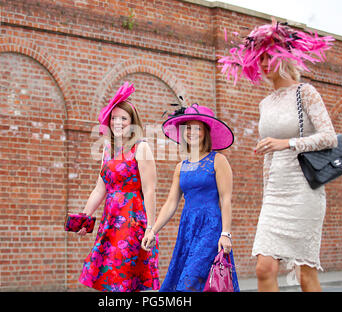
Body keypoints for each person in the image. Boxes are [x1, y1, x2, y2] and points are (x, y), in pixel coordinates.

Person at [218, 19, 337, 292]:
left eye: (268, 57)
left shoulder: (305, 93)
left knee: (305, 272)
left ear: (284, 57)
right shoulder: (265, 104)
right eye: (259, 58)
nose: (262, 64)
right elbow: (267, 155)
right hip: (275, 193)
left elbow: (329, 137)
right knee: (264, 268)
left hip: (304, 190)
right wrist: (266, 193)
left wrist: (287, 143)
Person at [141, 103, 240, 292]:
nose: (191, 132)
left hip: (211, 228)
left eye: (197, 128)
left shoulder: (218, 160)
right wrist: (152, 230)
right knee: (189, 281)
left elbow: (226, 199)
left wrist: (226, 234)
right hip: (187, 228)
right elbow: (171, 203)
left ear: (206, 132)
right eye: (188, 128)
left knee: (190, 280)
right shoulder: (180, 167)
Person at [77, 81, 160, 292]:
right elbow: (99, 189)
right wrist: (85, 217)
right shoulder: (107, 150)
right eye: (114, 118)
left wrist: (151, 227)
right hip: (110, 219)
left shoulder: (141, 148)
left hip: (132, 219)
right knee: (110, 276)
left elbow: (150, 190)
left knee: (124, 275)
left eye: (123, 118)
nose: (117, 122)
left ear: (133, 122)